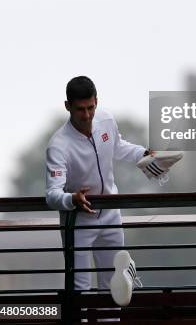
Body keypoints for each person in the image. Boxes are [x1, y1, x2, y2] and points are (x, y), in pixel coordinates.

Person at [45, 75, 149, 292]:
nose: (87, 115)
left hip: (111, 215)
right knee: (80, 289)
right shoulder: (59, 145)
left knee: (116, 286)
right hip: (78, 221)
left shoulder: (106, 120)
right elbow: (52, 194)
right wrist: (71, 199)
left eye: (90, 108)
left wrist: (144, 154)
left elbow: (118, 147)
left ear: (97, 102)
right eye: (80, 109)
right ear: (68, 106)